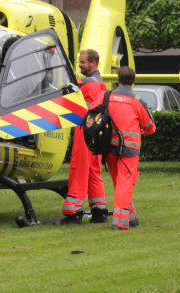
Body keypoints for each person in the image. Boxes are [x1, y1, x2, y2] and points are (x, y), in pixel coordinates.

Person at [91, 66, 156, 230]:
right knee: (124, 184)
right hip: (129, 150)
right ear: (133, 82)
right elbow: (150, 127)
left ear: (118, 80)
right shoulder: (137, 101)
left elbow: (90, 114)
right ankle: (120, 222)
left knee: (120, 184)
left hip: (109, 149)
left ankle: (132, 217)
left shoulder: (105, 96)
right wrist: (141, 131)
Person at [57, 49, 108, 225]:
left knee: (78, 168)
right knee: (94, 171)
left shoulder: (85, 83)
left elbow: (63, 95)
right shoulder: (101, 84)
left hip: (83, 133)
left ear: (93, 63)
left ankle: (73, 211)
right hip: (97, 134)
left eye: (83, 62)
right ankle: (99, 210)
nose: (79, 65)